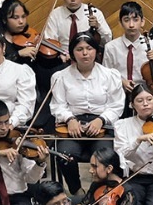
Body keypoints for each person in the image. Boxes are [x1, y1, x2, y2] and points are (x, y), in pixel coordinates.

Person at [49, 32, 124, 195]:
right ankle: (77, 192)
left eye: (89, 48)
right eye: (79, 49)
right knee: (64, 155)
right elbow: (57, 105)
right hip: (72, 125)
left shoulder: (110, 75)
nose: (84, 53)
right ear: (72, 52)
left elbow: (117, 105)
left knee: (106, 158)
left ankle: (100, 193)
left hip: (102, 126)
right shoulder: (60, 77)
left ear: (96, 51)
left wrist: (101, 120)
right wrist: (69, 119)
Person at [103, 2, 153, 98]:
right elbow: (107, 74)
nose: (131, 25)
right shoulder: (110, 47)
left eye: (135, 20)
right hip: (119, 93)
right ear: (120, 23)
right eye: (126, 20)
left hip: (146, 93)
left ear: (142, 22)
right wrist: (121, 81)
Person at [42, 0, 113, 53]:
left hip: (87, 58)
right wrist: (61, 55)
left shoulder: (95, 13)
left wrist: (98, 27)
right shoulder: (55, 14)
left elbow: (108, 41)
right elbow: (50, 42)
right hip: (62, 58)